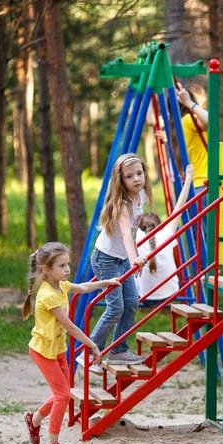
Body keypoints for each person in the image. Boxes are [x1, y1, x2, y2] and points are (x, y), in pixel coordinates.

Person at [21, 242, 120, 444]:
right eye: (61, 266)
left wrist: (106, 283)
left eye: (67, 264)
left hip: (57, 349)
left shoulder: (61, 285)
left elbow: (82, 287)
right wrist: (92, 344)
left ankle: (34, 419)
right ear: (46, 270)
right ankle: (52, 442)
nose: (67, 269)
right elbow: (71, 327)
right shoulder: (48, 296)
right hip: (43, 351)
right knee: (63, 395)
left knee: (63, 393)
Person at [86, 153, 151, 373]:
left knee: (131, 302)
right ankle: (90, 353)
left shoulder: (141, 197)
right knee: (115, 308)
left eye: (139, 173)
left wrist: (133, 255)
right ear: (120, 181)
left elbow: (132, 232)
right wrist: (134, 259)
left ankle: (118, 350)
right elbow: (124, 233)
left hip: (121, 259)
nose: (136, 179)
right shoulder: (123, 205)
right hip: (105, 259)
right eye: (129, 176)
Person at [135, 212, 180, 311]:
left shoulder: (136, 237)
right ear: (159, 226)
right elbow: (178, 210)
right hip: (170, 295)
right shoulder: (166, 234)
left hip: (144, 297)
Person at [173, 81, 209, 187]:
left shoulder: (182, 122)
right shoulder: (189, 120)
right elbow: (211, 121)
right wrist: (189, 103)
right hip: (203, 179)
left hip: (198, 181)